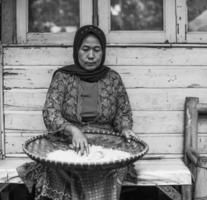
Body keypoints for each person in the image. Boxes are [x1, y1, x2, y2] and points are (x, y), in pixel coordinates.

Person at [17, 25, 137, 200]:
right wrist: (73, 130)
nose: (91, 56)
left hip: (105, 143)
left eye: (96, 50)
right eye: (85, 49)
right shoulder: (63, 77)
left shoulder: (113, 79)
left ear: (103, 51)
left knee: (108, 167)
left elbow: (123, 113)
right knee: (57, 165)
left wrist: (125, 128)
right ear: (76, 50)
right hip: (67, 143)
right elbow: (50, 112)